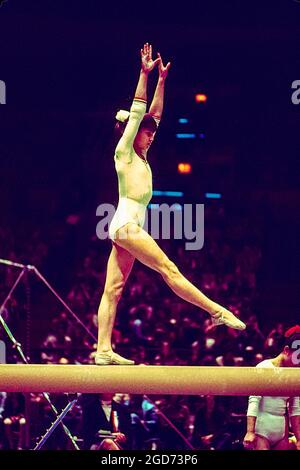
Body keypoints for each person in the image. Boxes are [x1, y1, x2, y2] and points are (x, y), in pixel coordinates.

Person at [95, 43, 246, 366]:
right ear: (131, 133)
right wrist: (144, 74)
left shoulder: (143, 155)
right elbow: (139, 113)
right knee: (169, 269)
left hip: (125, 227)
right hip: (125, 225)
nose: (150, 137)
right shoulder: (124, 152)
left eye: (151, 134)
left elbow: (155, 116)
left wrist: (162, 81)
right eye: (145, 133)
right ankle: (216, 310)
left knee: (114, 290)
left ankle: (103, 350)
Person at [243, 325, 300, 450]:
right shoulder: (264, 368)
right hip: (262, 430)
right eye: (298, 359)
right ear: (286, 350)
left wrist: (299, 438)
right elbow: (254, 400)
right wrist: (250, 431)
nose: (299, 365)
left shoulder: (294, 374)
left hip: (281, 431)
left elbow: (295, 409)